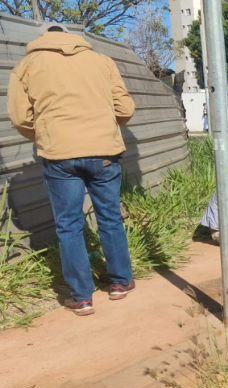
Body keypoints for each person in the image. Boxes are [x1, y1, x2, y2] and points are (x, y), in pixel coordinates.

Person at [8, 22, 136, 316]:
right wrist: (103, 126)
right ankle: (120, 283)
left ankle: (81, 298)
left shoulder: (26, 65)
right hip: (104, 152)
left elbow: (19, 117)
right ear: (71, 36)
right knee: (110, 218)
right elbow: (125, 109)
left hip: (59, 155)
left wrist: (46, 133)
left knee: (68, 225)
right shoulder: (102, 61)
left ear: (41, 37)